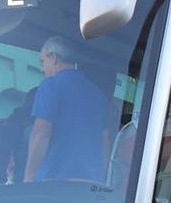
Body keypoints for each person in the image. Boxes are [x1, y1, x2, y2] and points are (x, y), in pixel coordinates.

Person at [24, 36, 112, 183]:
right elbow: (105, 142)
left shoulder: (51, 85)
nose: (42, 69)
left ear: (53, 58)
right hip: (88, 187)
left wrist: (28, 177)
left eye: (42, 62)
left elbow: (41, 132)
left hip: (55, 184)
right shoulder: (99, 95)